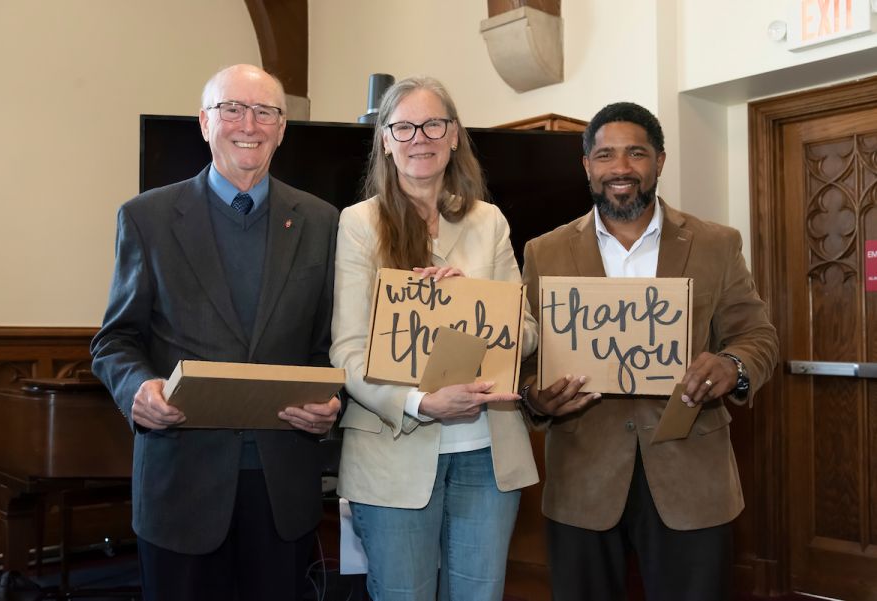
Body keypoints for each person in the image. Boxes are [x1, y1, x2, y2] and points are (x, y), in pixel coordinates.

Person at [90, 64, 341, 601]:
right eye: (232, 109)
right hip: (181, 484)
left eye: (265, 112)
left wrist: (326, 401)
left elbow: (324, 346)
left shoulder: (322, 222)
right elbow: (115, 340)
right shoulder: (147, 218)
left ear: (281, 128)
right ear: (205, 123)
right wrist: (138, 389)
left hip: (282, 487)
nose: (248, 123)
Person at [519, 102, 779, 601]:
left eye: (636, 153)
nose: (620, 168)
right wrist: (536, 397)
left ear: (660, 161)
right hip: (581, 481)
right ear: (587, 166)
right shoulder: (543, 252)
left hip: (692, 480)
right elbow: (527, 359)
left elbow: (758, 335)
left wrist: (732, 364)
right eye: (605, 155)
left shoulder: (715, 244)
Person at [329, 76, 539, 601]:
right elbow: (347, 351)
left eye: (432, 124)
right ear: (385, 140)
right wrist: (421, 402)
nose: (418, 137)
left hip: (487, 453)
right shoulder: (359, 223)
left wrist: (478, 302)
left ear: (453, 137)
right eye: (403, 126)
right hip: (392, 455)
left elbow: (529, 333)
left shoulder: (488, 221)